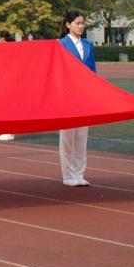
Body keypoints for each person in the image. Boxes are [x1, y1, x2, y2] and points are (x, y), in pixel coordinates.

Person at [58, 10, 95, 186]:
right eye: (77, 23)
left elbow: (92, 72)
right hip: (67, 96)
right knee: (67, 138)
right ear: (68, 25)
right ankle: (68, 175)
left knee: (81, 137)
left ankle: (79, 173)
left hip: (85, 96)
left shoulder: (88, 45)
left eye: (82, 23)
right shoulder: (60, 44)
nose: (81, 26)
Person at [0, 30, 18, 141]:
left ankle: (9, 131)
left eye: (0, 39)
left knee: (9, 106)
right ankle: (7, 130)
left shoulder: (11, 52)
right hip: (3, 82)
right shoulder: (0, 52)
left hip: (10, 83)